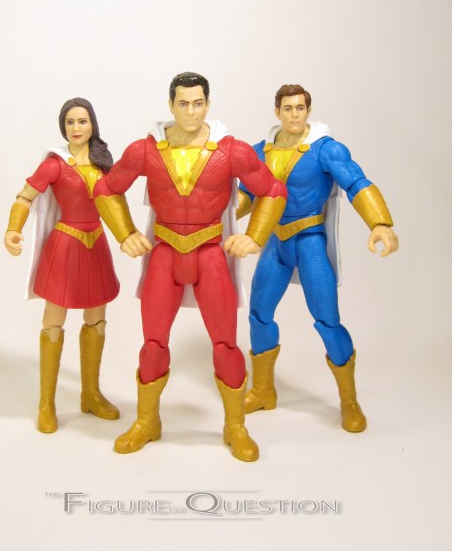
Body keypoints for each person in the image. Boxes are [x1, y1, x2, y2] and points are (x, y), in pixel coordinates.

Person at [94, 72, 287, 461]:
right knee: (153, 344)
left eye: (198, 103)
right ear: (170, 105)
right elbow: (106, 188)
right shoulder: (146, 150)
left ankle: (235, 426)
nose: (191, 111)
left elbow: (273, 190)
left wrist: (255, 236)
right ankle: (147, 421)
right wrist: (124, 232)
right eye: (183, 103)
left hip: (210, 252)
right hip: (165, 252)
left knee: (226, 344)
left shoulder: (231, 151)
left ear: (208, 105)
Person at [238, 84, 399, 432]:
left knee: (327, 320)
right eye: (288, 108)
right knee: (259, 314)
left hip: (310, 241)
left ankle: (349, 400)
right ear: (277, 111)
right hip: (275, 243)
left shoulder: (326, 149)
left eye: (300, 108)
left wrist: (379, 222)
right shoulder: (259, 152)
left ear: (308, 111)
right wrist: (210, 217)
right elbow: (245, 195)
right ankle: (263, 389)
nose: (294, 114)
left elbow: (356, 183)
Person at [4, 98, 120, 433]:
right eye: (70, 122)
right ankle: (46, 403)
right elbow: (25, 197)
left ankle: (90, 393)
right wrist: (13, 229)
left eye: (82, 121)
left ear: (92, 124)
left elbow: (117, 202)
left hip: (95, 244)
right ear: (63, 127)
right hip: (65, 244)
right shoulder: (55, 164)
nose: (76, 128)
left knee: (96, 319)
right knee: (54, 321)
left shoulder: (102, 162)